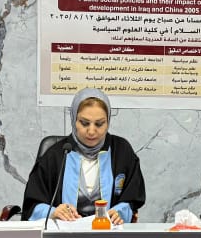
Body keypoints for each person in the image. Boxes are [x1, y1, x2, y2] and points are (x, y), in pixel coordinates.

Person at [23, 88, 145, 224]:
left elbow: (132, 199)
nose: (91, 131)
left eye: (99, 124)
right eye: (84, 123)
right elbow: (32, 205)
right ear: (74, 120)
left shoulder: (122, 151)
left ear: (108, 122)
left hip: (109, 232)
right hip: (65, 234)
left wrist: (119, 212)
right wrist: (53, 212)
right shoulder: (56, 155)